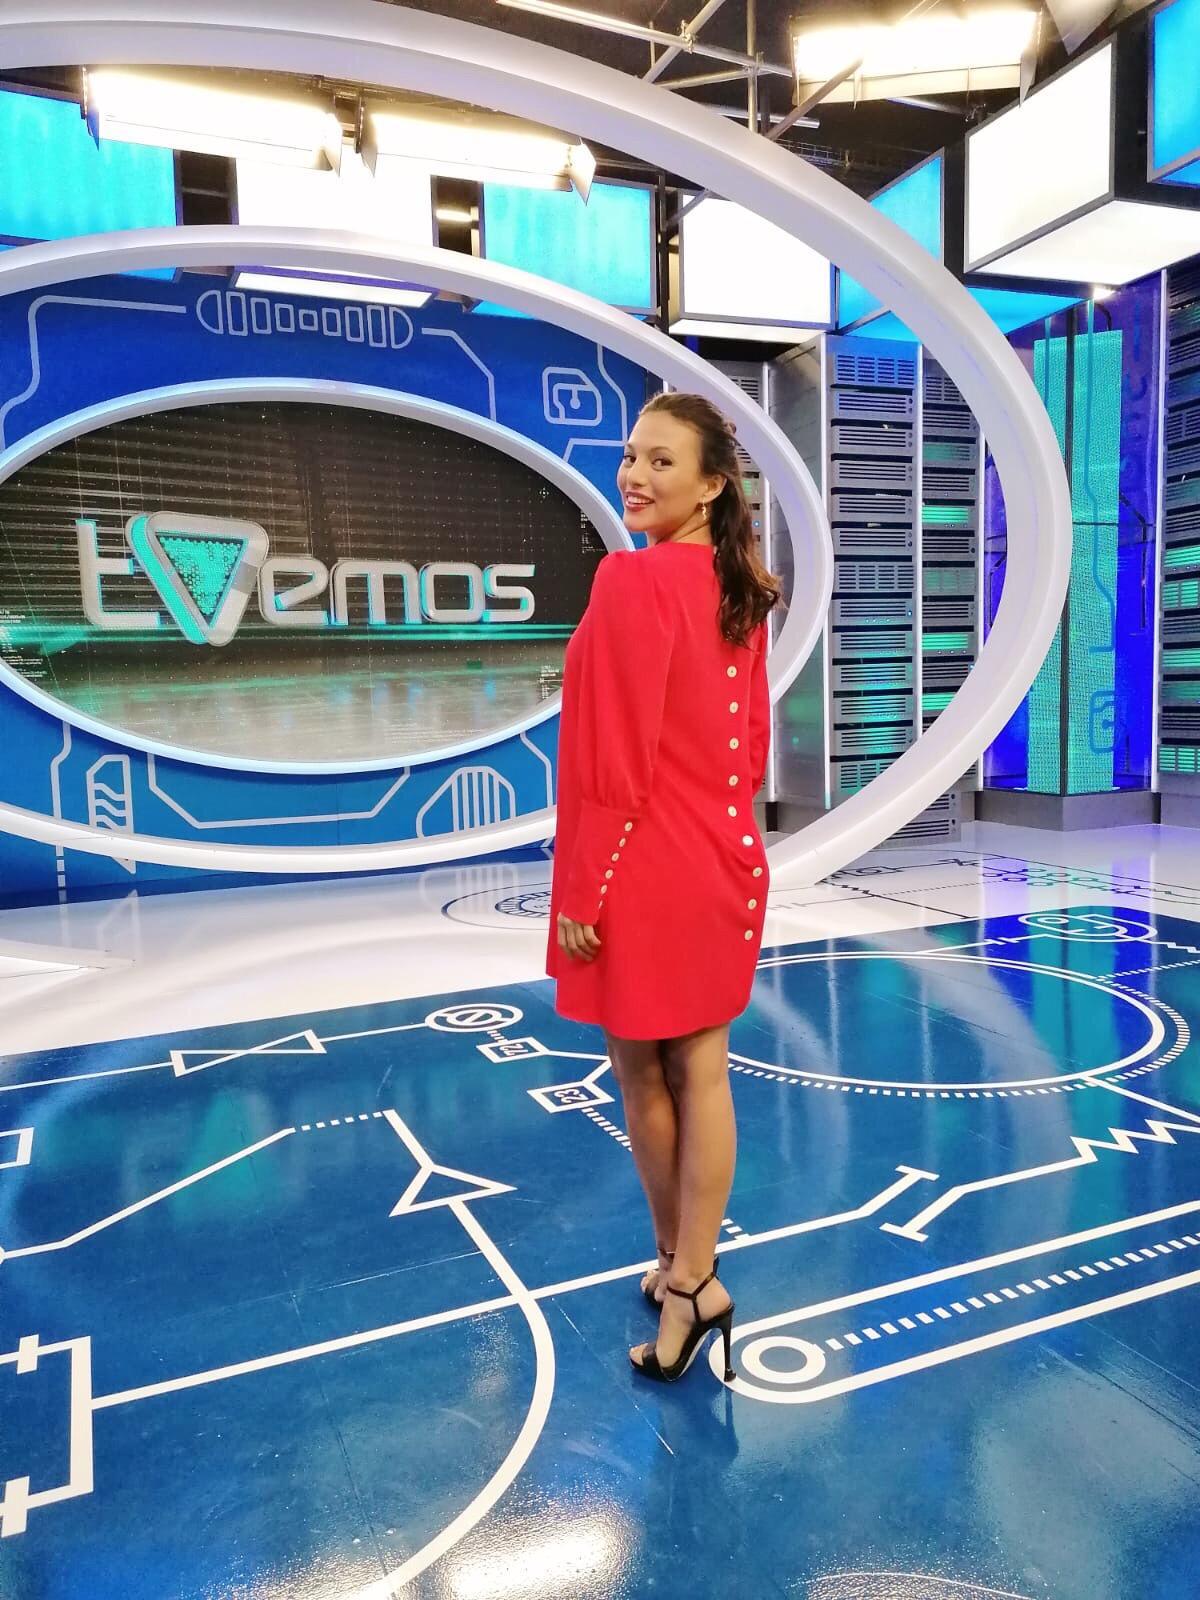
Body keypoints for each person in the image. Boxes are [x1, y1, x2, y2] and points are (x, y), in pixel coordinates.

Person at [544, 390, 784, 1384]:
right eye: (631, 455)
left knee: (644, 1074)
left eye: (661, 461)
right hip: (721, 858)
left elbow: (616, 752)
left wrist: (585, 886)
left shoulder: (632, 580)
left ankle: (686, 1277)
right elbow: (751, 750)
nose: (635, 475)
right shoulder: (738, 589)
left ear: (712, 484)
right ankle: (691, 1270)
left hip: (642, 861)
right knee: (705, 1069)